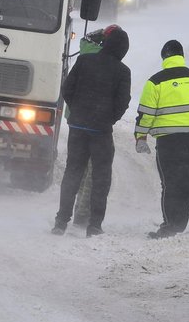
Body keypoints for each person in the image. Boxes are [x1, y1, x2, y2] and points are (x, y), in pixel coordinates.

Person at [52, 26, 131, 238]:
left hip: (78, 126)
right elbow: (123, 103)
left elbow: (67, 88)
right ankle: (94, 225)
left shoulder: (85, 61)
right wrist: (108, 118)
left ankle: (60, 222)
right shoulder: (123, 71)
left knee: (73, 172)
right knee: (101, 177)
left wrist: (78, 109)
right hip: (101, 131)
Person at [135, 39, 189, 238]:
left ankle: (173, 225)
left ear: (164, 57)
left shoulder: (155, 81)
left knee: (171, 182)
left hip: (168, 141)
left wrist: (141, 137)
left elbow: (146, 113)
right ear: (182, 56)